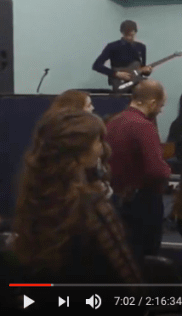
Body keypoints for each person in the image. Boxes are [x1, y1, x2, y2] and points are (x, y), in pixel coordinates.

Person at [12, 110, 142, 286]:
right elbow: (126, 275)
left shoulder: (33, 196)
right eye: (98, 141)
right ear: (80, 151)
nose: (103, 148)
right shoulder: (94, 206)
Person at [105, 79, 171, 263]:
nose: (161, 110)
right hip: (143, 204)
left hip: (116, 200)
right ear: (152, 103)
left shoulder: (113, 122)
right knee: (145, 260)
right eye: (161, 105)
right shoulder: (144, 126)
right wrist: (167, 171)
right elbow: (157, 171)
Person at [93, 20, 152, 85]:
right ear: (122, 32)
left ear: (135, 32)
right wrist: (116, 74)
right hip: (120, 83)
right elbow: (96, 65)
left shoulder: (141, 47)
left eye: (131, 34)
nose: (129, 37)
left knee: (152, 86)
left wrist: (147, 71)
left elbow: (142, 70)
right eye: (127, 35)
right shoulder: (112, 46)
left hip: (138, 83)